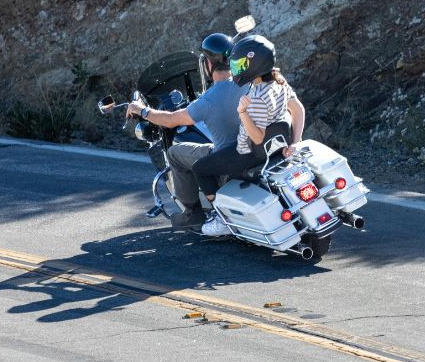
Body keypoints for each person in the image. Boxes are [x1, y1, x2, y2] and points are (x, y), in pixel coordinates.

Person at [126, 33, 250, 230]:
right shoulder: (249, 84)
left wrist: (141, 110)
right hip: (251, 150)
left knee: (175, 153)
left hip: (226, 158)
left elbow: (170, 120)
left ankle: (192, 212)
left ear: (208, 64)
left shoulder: (208, 99)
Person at [192, 35, 306, 236]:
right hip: (278, 146)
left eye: (241, 64)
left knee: (200, 169)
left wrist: (243, 113)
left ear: (254, 65)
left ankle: (222, 219)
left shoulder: (256, 97)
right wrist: (295, 143)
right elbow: (298, 110)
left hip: (252, 152)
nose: (236, 68)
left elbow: (257, 138)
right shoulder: (279, 83)